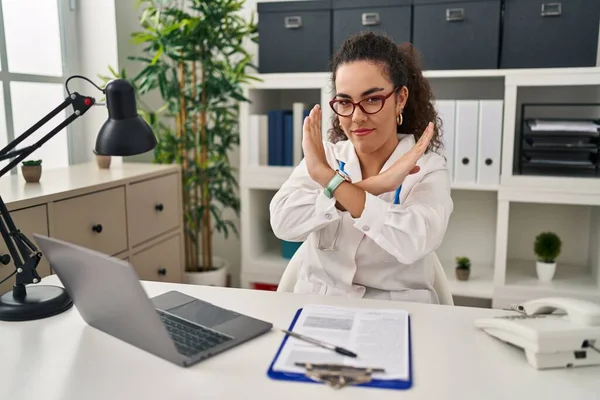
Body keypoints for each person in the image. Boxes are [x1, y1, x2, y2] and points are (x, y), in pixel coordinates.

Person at [269, 31, 453, 304]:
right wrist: (371, 187)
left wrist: (330, 183)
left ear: (400, 98)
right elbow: (283, 222)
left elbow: (416, 239)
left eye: (371, 100)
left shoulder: (427, 168)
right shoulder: (327, 158)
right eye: (345, 102)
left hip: (399, 311)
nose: (356, 117)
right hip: (319, 305)